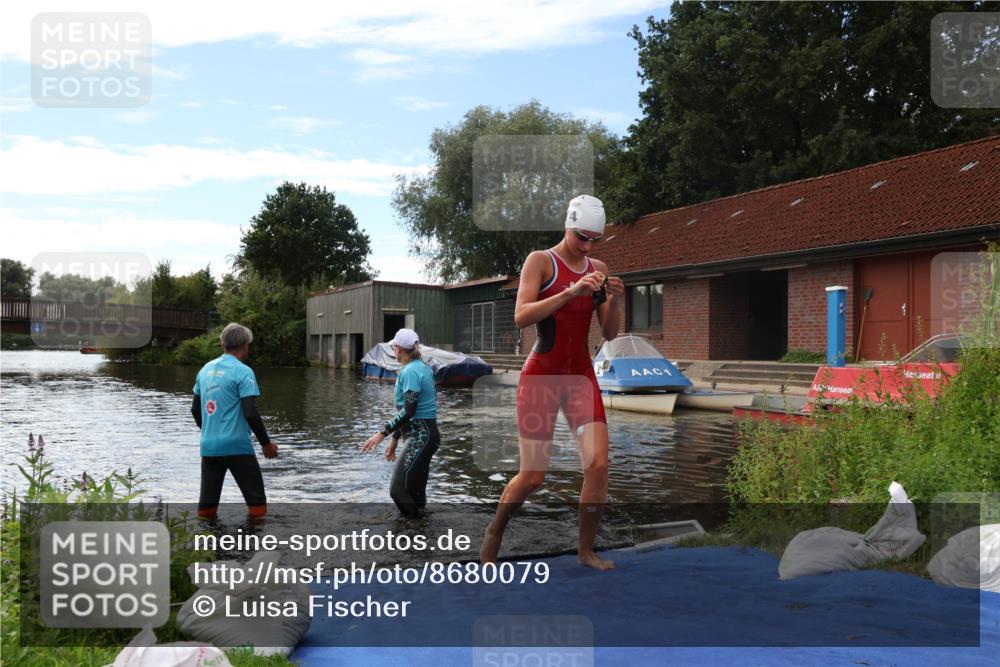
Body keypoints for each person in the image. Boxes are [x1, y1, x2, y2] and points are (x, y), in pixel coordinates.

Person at [480, 194, 624, 570]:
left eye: (595, 239)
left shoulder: (600, 267)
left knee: (598, 465)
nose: (588, 246)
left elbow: (609, 332)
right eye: (582, 236)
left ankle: (585, 550)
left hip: (579, 376)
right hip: (542, 375)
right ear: (568, 225)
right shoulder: (541, 261)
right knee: (533, 475)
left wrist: (613, 300)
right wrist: (571, 291)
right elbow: (521, 316)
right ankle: (495, 530)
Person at [191, 323, 278, 519]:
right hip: (238, 447)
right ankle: (250, 547)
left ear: (222, 344)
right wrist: (266, 444)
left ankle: (207, 547)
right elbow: (250, 412)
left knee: (206, 509)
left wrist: (209, 431)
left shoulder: (205, 370)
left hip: (209, 447)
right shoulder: (243, 371)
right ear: (246, 345)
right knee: (258, 509)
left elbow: (195, 409)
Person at [361, 328, 440, 518]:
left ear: (399, 348)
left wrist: (383, 432)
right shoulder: (419, 367)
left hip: (420, 437)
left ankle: (415, 529)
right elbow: (409, 412)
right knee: (415, 493)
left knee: (397, 491)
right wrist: (396, 438)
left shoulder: (411, 371)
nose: (393, 350)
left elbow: (409, 410)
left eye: (394, 347)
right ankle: (423, 533)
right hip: (424, 436)